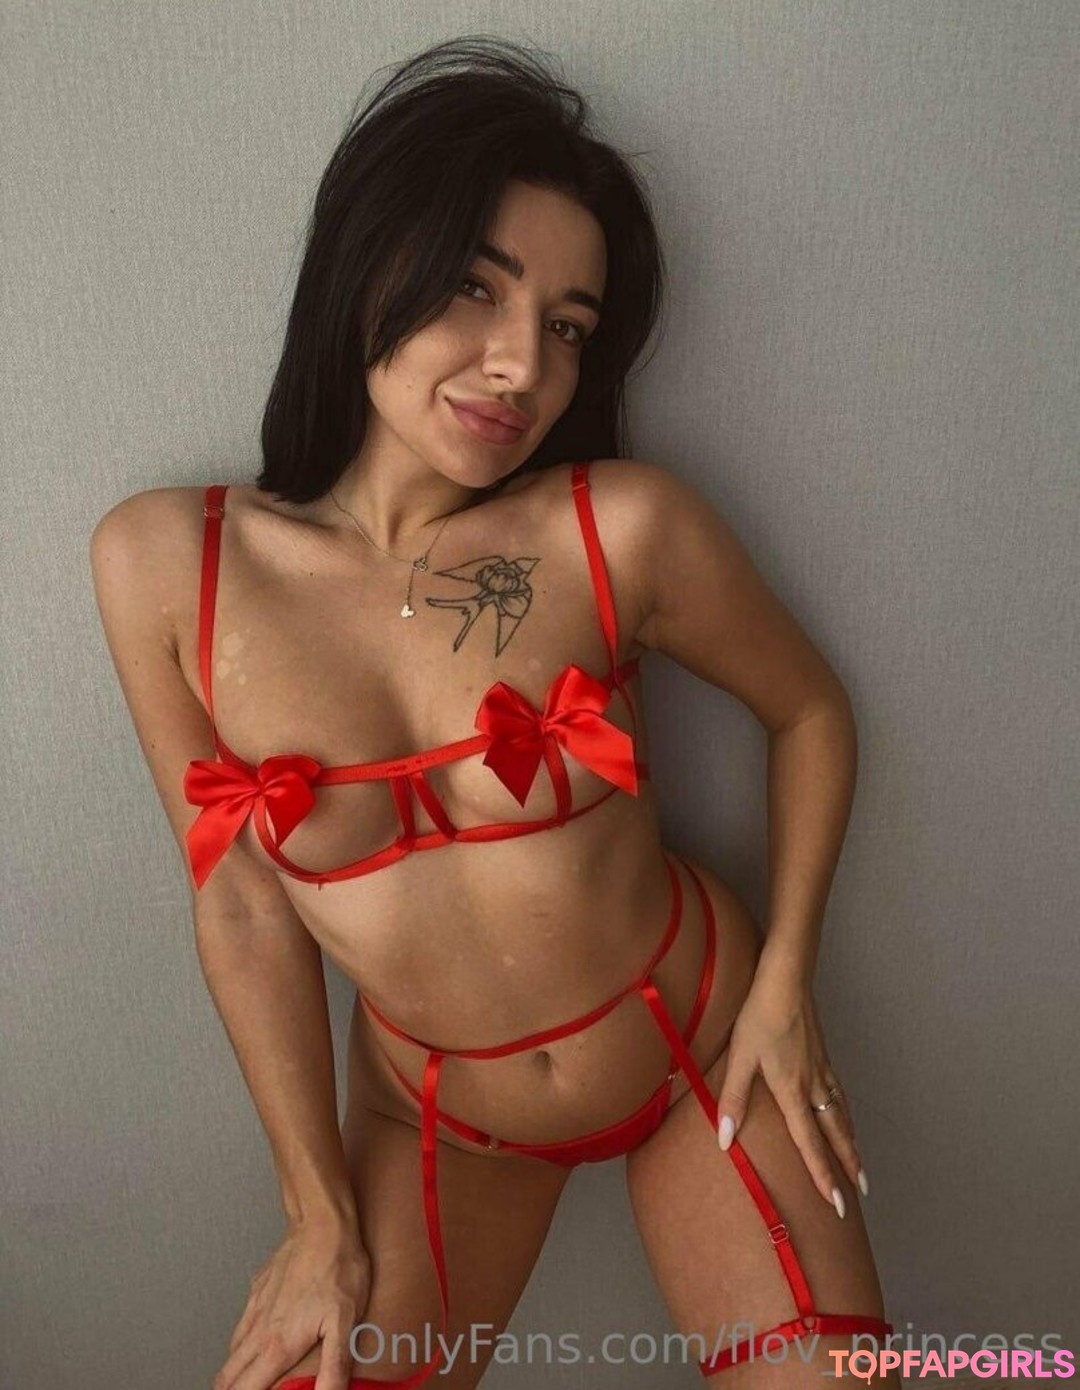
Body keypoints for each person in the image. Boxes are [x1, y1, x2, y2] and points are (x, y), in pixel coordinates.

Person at [90, 35, 899, 1390]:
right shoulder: (169, 565)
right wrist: (316, 1216)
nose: (523, 363)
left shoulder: (617, 529)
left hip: (700, 1043)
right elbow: (239, 906)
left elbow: (811, 709)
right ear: (368, 265)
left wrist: (784, 987)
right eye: (477, 286)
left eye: (568, 327)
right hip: (436, 1122)